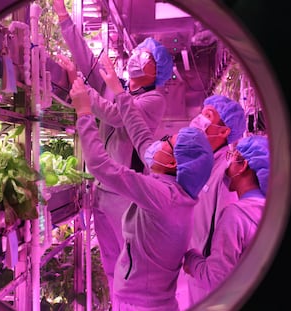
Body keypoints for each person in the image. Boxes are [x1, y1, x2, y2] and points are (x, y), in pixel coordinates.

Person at [68, 52, 214, 310]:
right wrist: (117, 89)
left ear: (171, 163)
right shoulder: (175, 189)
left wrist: (84, 113)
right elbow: (141, 135)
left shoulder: (161, 196)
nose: (162, 141)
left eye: (169, 143)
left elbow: (102, 166)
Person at [53, 0, 174, 298]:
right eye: (139, 51)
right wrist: (63, 16)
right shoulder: (116, 85)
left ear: (155, 70)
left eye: (145, 56)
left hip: (125, 194)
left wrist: (82, 90)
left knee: (128, 263)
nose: (137, 57)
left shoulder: (153, 100)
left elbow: (116, 115)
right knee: (109, 262)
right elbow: (86, 59)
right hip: (101, 192)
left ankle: (132, 304)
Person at [177, 94, 247, 308]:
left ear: (225, 132)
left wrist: (201, 267)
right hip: (192, 268)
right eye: (201, 113)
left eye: (208, 115)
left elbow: (227, 240)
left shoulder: (227, 172)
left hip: (208, 278)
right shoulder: (203, 163)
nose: (199, 120)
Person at [182, 135, 269, 302]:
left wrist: (192, 259)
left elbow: (215, 279)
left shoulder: (236, 215)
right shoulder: (268, 209)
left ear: (243, 166)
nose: (227, 166)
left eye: (232, 157)